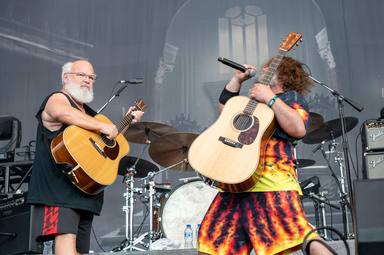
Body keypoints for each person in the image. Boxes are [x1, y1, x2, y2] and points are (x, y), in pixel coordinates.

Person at [197, 56, 332, 255]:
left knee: (299, 235)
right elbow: (225, 112)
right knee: (212, 242)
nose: (264, 70)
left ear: (285, 75)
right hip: (234, 186)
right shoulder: (252, 103)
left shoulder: (290, 98)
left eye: (270, 68)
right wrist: (237, 80)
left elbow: (298, 128)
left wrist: (270, 97)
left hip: (271, 186)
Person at [27, 59, 143, 255]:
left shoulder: (88, 114)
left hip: (85, 191)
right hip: (59, 191)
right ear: (66, 77)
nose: (87, 80)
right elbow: (61, 112)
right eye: (81, 75)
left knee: (81, 249)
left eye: (91, 77)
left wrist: (128, 121)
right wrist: (103, 126)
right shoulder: (58, 98)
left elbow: (105, 143)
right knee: (66, 240)